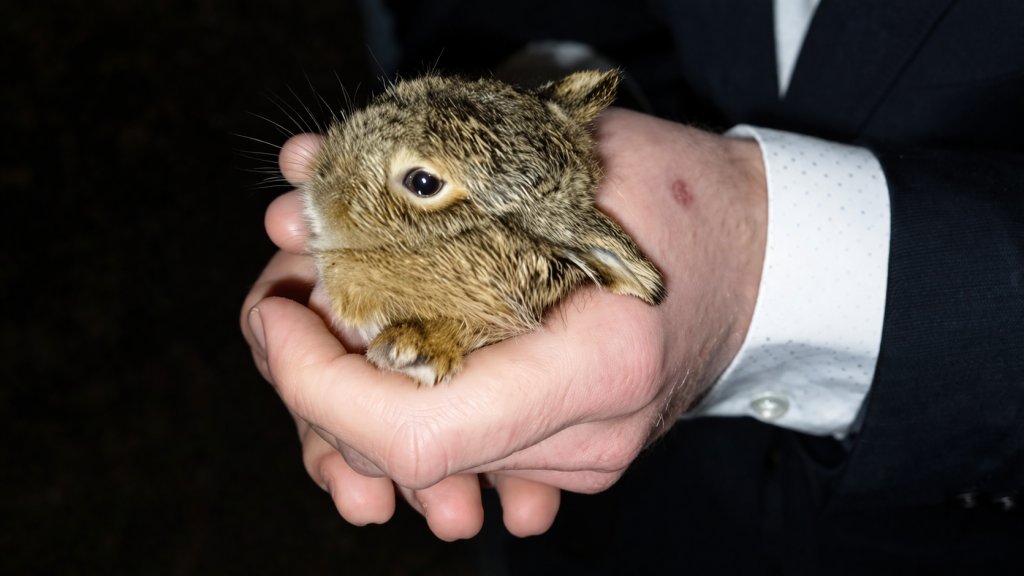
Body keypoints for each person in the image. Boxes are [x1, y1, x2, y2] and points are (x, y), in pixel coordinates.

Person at [241, 0, 1024, 572]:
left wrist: (752, 252)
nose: (329, 167)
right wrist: (527, 79)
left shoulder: (560, 256)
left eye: (416, 181)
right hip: (609, 533)